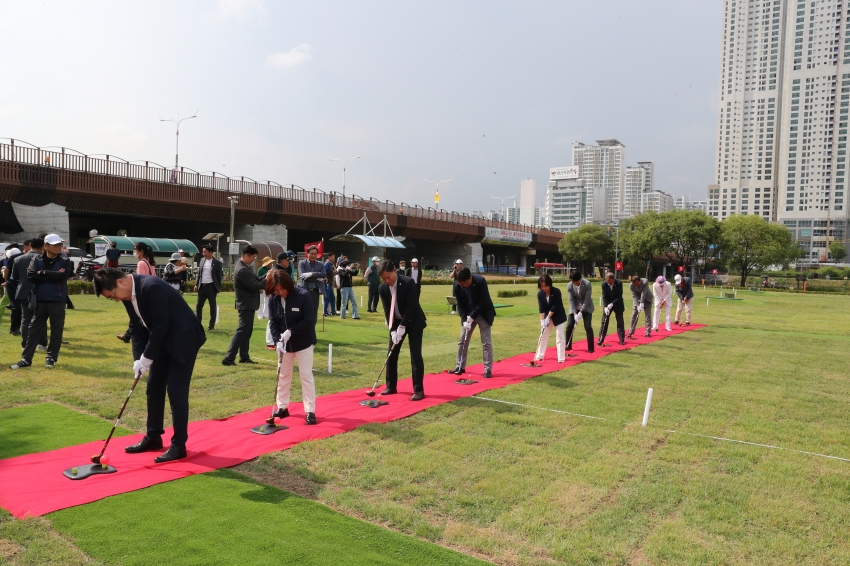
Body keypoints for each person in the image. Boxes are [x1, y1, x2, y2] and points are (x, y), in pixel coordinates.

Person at [92, 267, 206, 463]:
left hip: (183, 338)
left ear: (121, 283)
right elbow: (136, 328)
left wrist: (147, 358)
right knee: (154, 387)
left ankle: (179, 445)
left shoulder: (151, 287)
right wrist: (139, 360)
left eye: (112, 296)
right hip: (162, 341)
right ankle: (153, 436)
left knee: (176, 390)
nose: (116, 300)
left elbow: (160, 327)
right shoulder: (128, 296)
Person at [11, 234, 73, 370]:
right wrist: (52, 274)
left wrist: (43, 273)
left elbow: (62, 276)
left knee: (57, 330)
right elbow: (31, 276)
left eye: (60, 245)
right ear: (45, 246)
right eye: (55, 245)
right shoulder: (36, 259)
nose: (58, 247)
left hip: (57, 299)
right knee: (34, 330)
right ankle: (26, 359)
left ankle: (51, 358)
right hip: (39, 299)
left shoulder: (64, 260)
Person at [267, 270, 318, 424]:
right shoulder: (274, 299)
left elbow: (309, 320)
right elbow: (273, 321)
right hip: (284, 346)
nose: (279, 292)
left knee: (306, 376)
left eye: (281, 289)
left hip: (303, 343)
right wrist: (278, 341)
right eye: (276, 290)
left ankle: (310, 410)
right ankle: (282, 407)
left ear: (288, 285)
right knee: (283, 375)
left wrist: (291, 331)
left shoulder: (303, 296)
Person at [378, 260, 427, 400]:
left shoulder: (408, 282)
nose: (387, 280)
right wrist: (393, 329)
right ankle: (391, 386)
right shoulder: (382, 288)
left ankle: (418, 390)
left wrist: (402, 326)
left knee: (415, 355)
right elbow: (388, 310)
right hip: (396, 322)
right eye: (384, 278)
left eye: (388, 277)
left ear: (394, 270)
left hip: (414, 322)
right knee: (391, 354)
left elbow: (411, 306)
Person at [222, 245, 266, 366]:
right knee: (242, 330)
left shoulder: (246, 267)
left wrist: (267, 275)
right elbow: (254, 286)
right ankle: (229, 358)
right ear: (246, 255)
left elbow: (256, 280)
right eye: (253, 257)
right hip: (245, 304)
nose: (253, 259)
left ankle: (244, 356)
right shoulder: (242, 269)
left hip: (249, 304)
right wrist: (268, 280)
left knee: (247, 331)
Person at [449, 267, 496, 377]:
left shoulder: (480, 281)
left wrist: (472, 317)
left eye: (465, 282)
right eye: (461, 284)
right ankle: (460, 366)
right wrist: (465, 320)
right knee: (462, 340)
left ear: (470, 277)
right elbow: (460, 304)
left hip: (483, 314)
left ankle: (487, 369)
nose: (464, 285)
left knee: (486, 342)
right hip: (468, 315)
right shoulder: (457, 285)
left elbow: (483, 301)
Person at [118, 243, 157, 343]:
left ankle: (129, 336)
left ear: (141, 251)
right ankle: (127, 335)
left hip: (143, 294)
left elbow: (139, 279)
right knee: (138, 316)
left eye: (135, 249)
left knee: (136, 316)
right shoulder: (150, 263)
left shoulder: (141, 263)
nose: (134, 252)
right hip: (151, 293)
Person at [12, 239, 41, 347]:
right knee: (40, 318)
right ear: (42, 247)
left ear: (30, 245)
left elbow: (14, 277)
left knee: (26, 319)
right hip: (39, 292)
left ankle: (25, 343)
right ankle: (41, 343)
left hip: (23, 291)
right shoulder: (42, 258)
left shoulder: (18, 259)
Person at [535, 274, 567, 363]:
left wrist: (548, 318)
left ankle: (561, 358)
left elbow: (555, 306)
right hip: (546, 317)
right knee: (543, 335)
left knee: (559, 336)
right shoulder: (540, 294)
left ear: (550, 284)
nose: (544, 288)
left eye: (546, 286)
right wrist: (542, 321)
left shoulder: (556, 291)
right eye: (542, 287)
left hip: (558, 316)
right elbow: (541, 308)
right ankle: (539, 356)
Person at [194, 244, 223, 331]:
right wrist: (196, 284)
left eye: (205, 252)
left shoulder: (217, 263)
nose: (203, 254)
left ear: (211, 252)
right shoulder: (202, 260)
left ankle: (211, 326)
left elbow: (219, 277)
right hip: (202, 287)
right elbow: (199, 274)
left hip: (211, 287)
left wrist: (218, 288)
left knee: (212, 307)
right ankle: (198, 324)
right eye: (203, 252)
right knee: (198, 306)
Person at [565, 271, 595, 353]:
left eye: (575, 281)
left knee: (588, 326)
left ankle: (591, 348)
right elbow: (571, 300)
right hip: (574, 307)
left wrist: (581, 312)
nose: (574, 283)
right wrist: (575, 313)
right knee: (569, 325)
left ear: (580, 279)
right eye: (572, 281)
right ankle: (568, 345)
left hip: (587, 307)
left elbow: (587, 299)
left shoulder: (587, 284)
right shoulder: (569, 285)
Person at [297, 245, 326, 321]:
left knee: (313, 313)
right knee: (302, 312)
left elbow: (323, 274)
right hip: (304, 291)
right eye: (312, 253)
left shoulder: (320, 264)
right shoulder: (302, 263)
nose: (313, 255)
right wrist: (317, 277)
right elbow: (302, 276)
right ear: (307, 254)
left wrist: (311, 274)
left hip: (315, 292)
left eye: (315, 254)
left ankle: (311, 331)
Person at [599, 272, 626, 346]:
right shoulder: (604, 284)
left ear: (614, 279)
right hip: (607, 305)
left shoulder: (619, 283)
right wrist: (605, 307)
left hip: (618, 304)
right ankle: (601, 339)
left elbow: (619, 296)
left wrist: (612, 304)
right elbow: (604, 296)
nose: (609, 283)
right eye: (608, 282)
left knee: (620, 322)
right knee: (604, 321)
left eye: (611, 282)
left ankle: (622, 340)